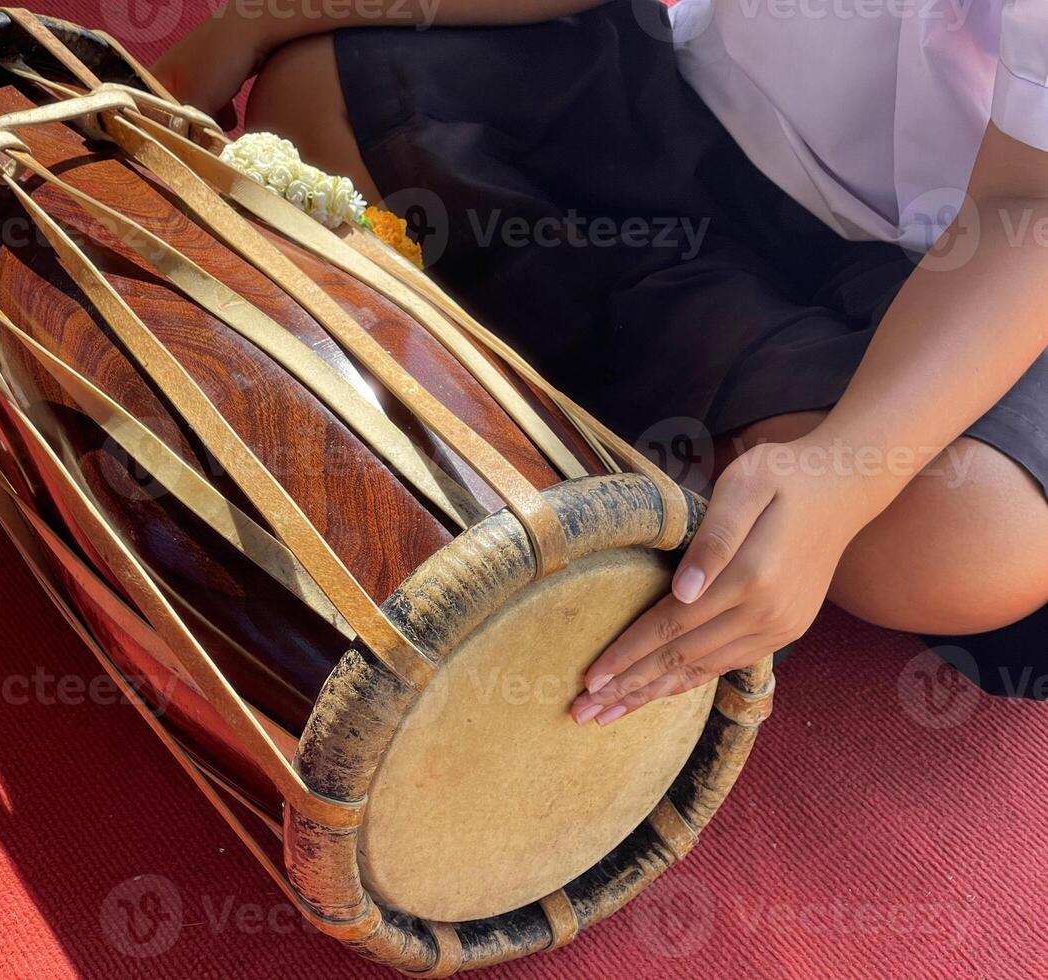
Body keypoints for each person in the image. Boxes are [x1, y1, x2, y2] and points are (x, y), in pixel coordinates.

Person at [153, 0, 1048, 721]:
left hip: (973, 270)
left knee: (958, 543)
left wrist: (848, 470)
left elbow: (1025, 204)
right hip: (697, 115)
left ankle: (633, 410)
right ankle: (685, 444)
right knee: (321, 90)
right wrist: (259, 17)